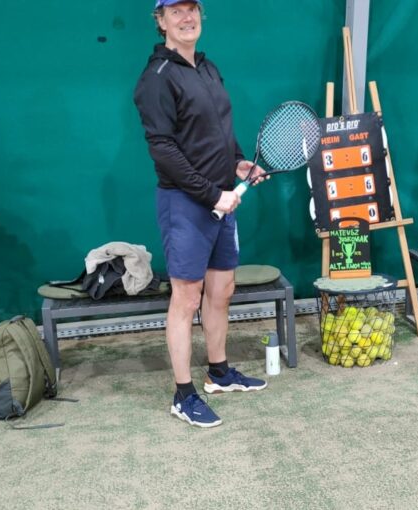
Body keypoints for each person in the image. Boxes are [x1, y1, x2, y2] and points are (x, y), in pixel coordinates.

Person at [134, 0, 267, 428]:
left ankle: (219, 372)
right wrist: (212, 194)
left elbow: (218, 131)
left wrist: (239, 163)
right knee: (186, 298)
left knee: (222, 289)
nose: (186, 18)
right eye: (175, 12)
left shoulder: (207, 68)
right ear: (160, 21)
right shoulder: (155, 80)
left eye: (192, 9)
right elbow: (164, 151)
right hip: (187, 204)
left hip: (220, 200)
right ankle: (182, 394)